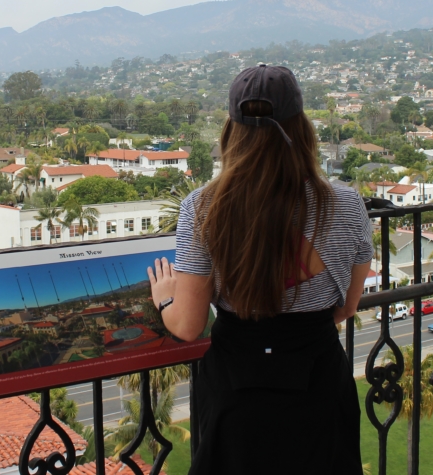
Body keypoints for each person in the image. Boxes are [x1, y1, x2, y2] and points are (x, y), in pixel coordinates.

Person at [148, 64, 373, 474]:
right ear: (301, 127)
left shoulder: (203, 208)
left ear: (232, 132)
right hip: (319, 383)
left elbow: (187, 325)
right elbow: (347, 308)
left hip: (238, 391)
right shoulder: (346, 204)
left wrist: (165, 297)